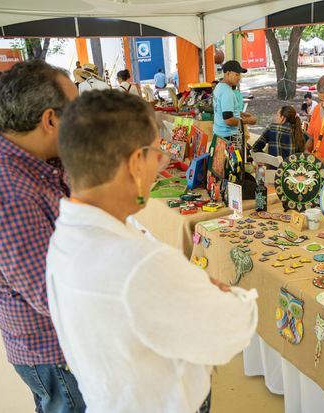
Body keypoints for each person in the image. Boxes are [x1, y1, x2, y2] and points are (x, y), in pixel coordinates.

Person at [47, 89, 258, 412]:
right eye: (156, 154)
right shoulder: (141, 264)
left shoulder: (65, 235)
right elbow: (233, 329)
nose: (160, 166)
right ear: (135, 162)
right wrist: (228, 294)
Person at [0, 60, 85, 412]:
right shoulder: (8, 193)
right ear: (49, 120)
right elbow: (55, 297)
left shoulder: (35, 156)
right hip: (54, 350)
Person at [212, 60, 256, 139]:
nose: (239, 78)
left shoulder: (219, 86)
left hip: (219, 133)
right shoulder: (227, 92)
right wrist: (248, 121)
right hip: (229, 136)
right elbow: (228, 120)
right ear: (228, 73)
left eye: (239, 75)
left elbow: (222, 110)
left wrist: (239, 113)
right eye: (237, 75)